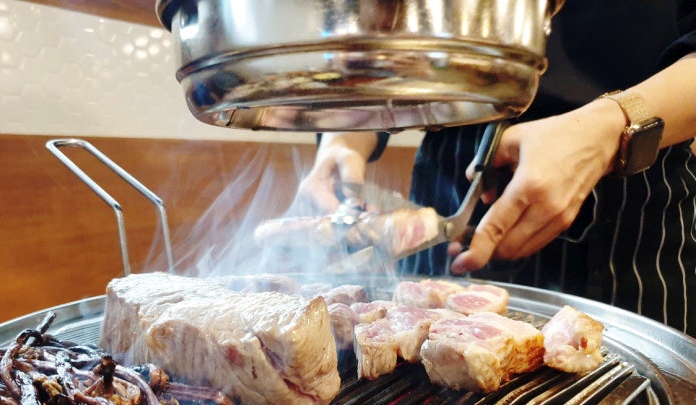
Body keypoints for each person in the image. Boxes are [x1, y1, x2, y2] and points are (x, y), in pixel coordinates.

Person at [297, 1, 696, 338]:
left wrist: (610, 127)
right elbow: (381, 34)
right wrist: (344, 137)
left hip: (634, 205)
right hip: (452, 185)